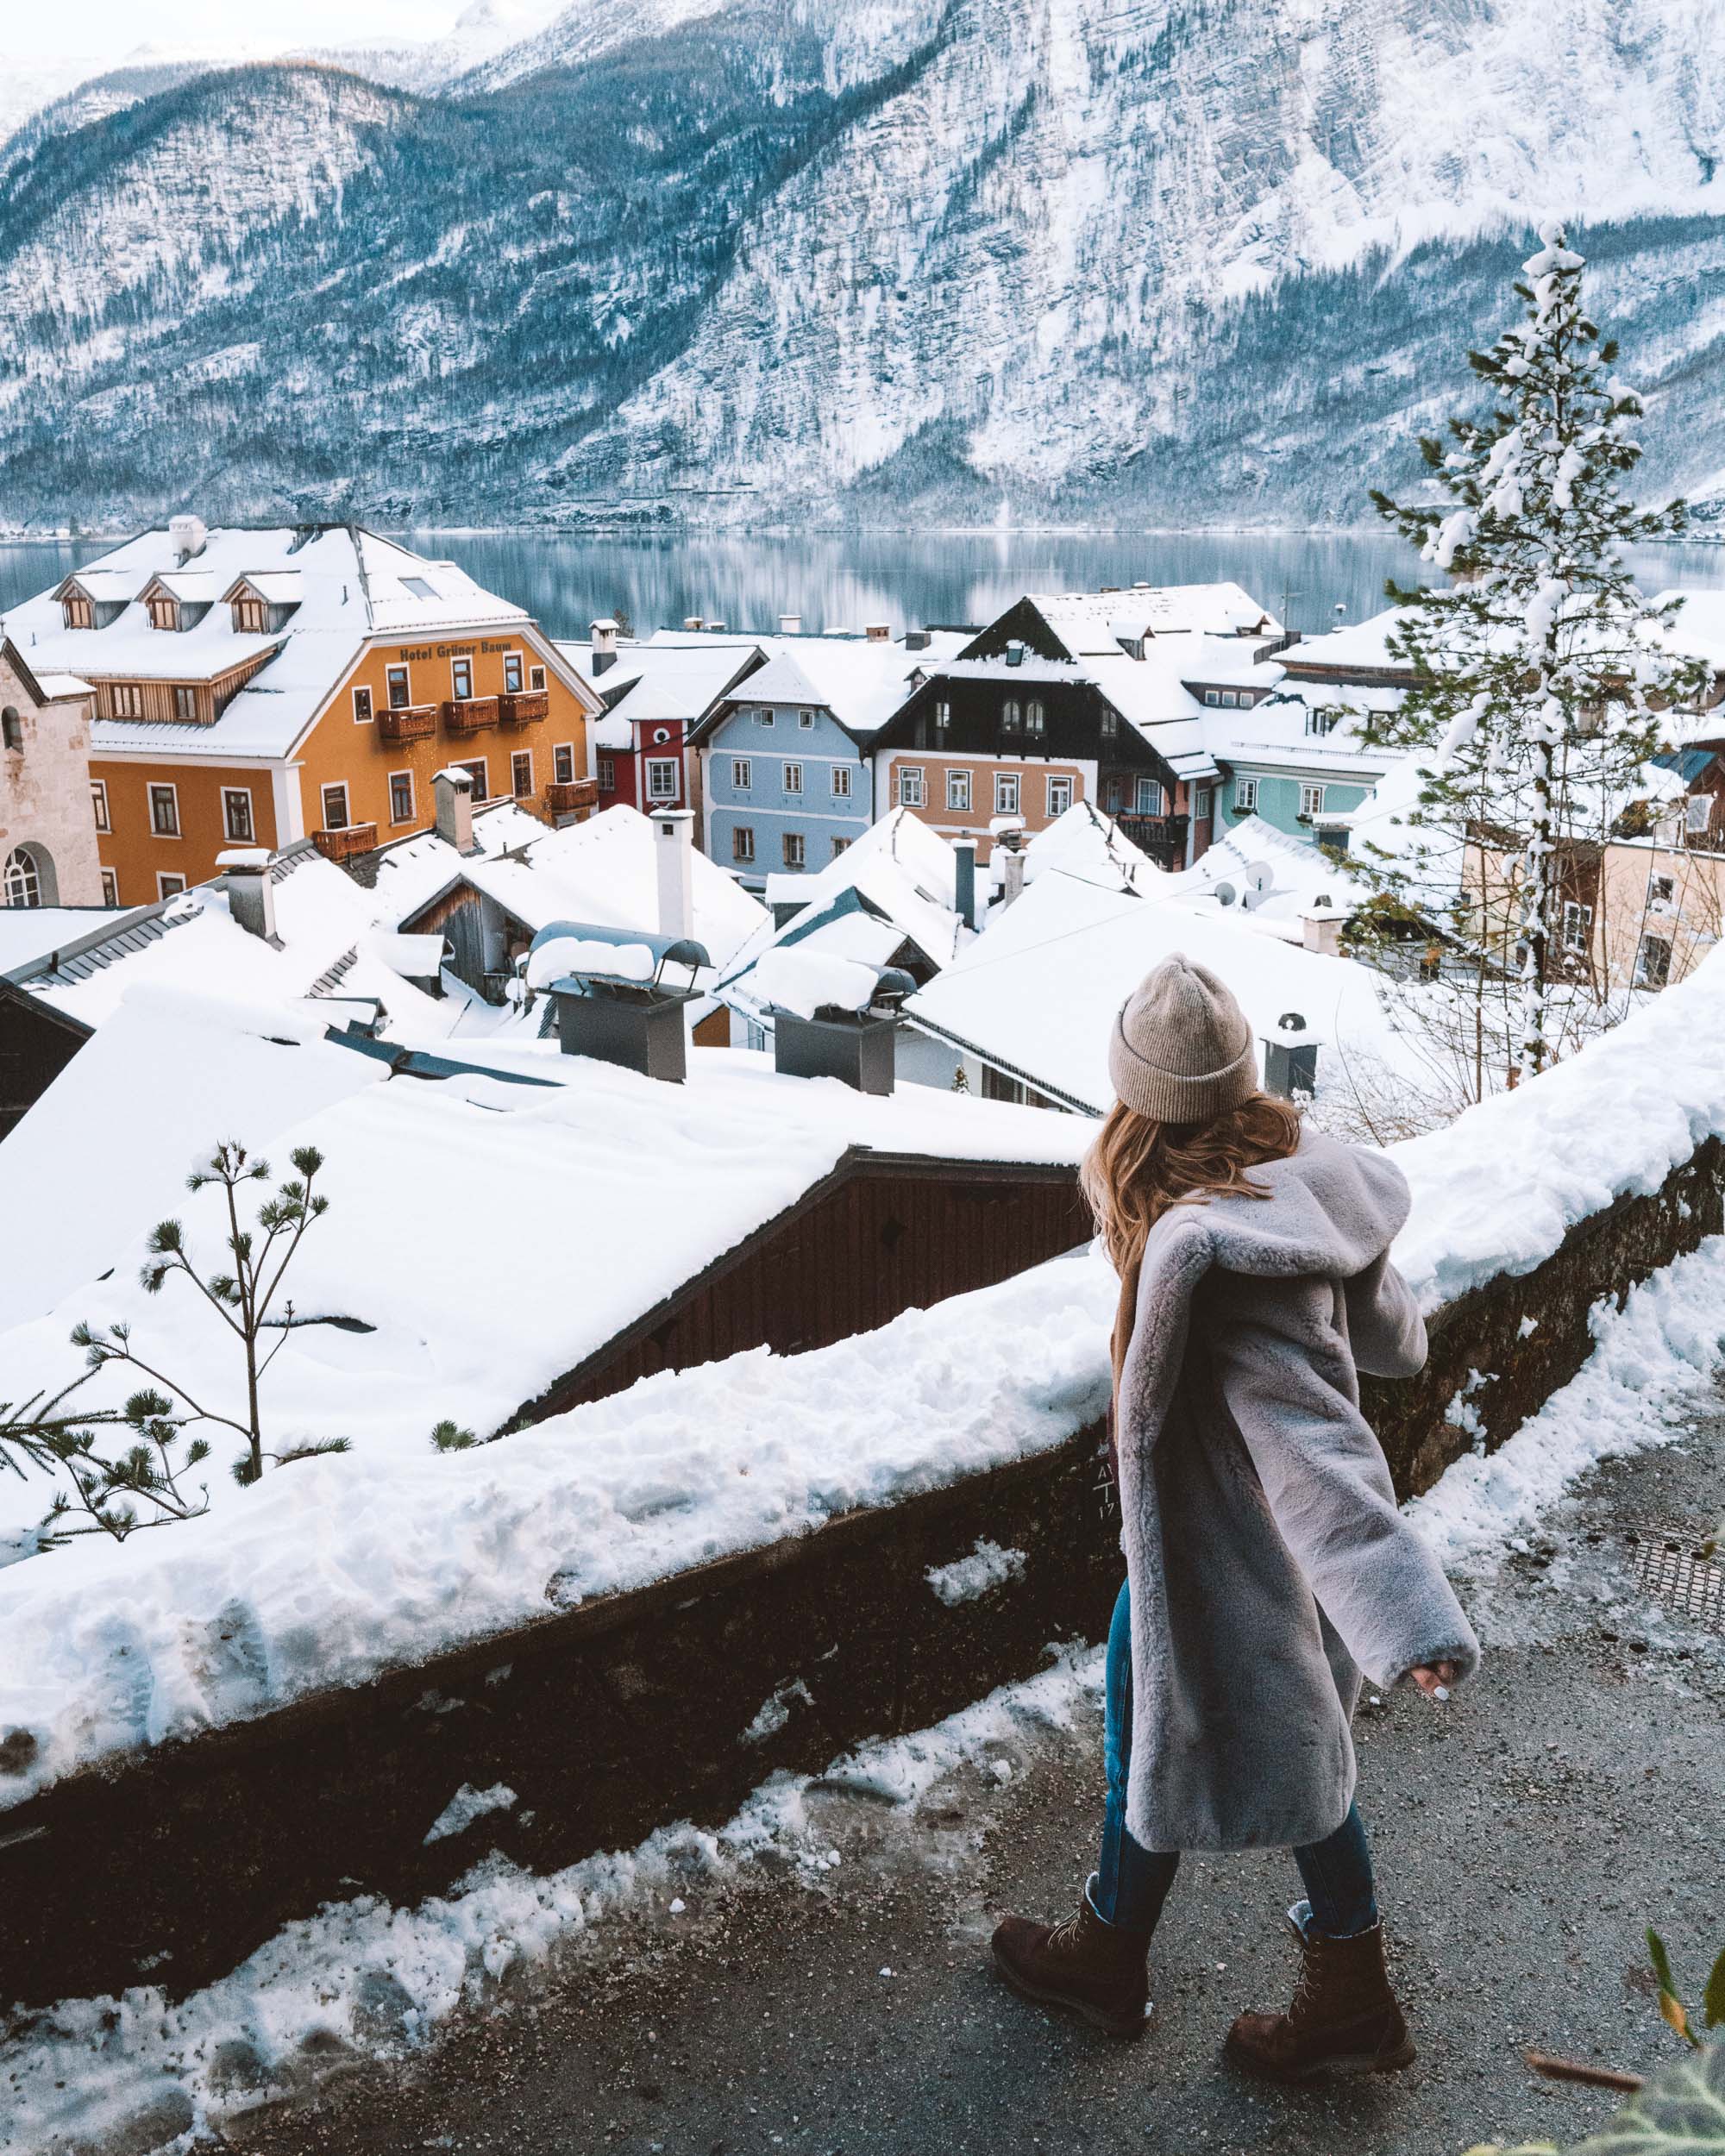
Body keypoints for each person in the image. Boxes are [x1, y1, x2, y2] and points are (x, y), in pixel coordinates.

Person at [991, 956, 1480, 2081]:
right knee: (1236, 1729)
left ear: (1136, 1111)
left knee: (1219, 1735)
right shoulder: (1289, 1180)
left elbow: (1316, 1448)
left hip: (1234, 1545)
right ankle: (1153, 1955)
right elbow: (1391, 1336)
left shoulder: (1222, 1252)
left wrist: (1406, 1623)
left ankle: (1148, 1965)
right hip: (1229, 1541)